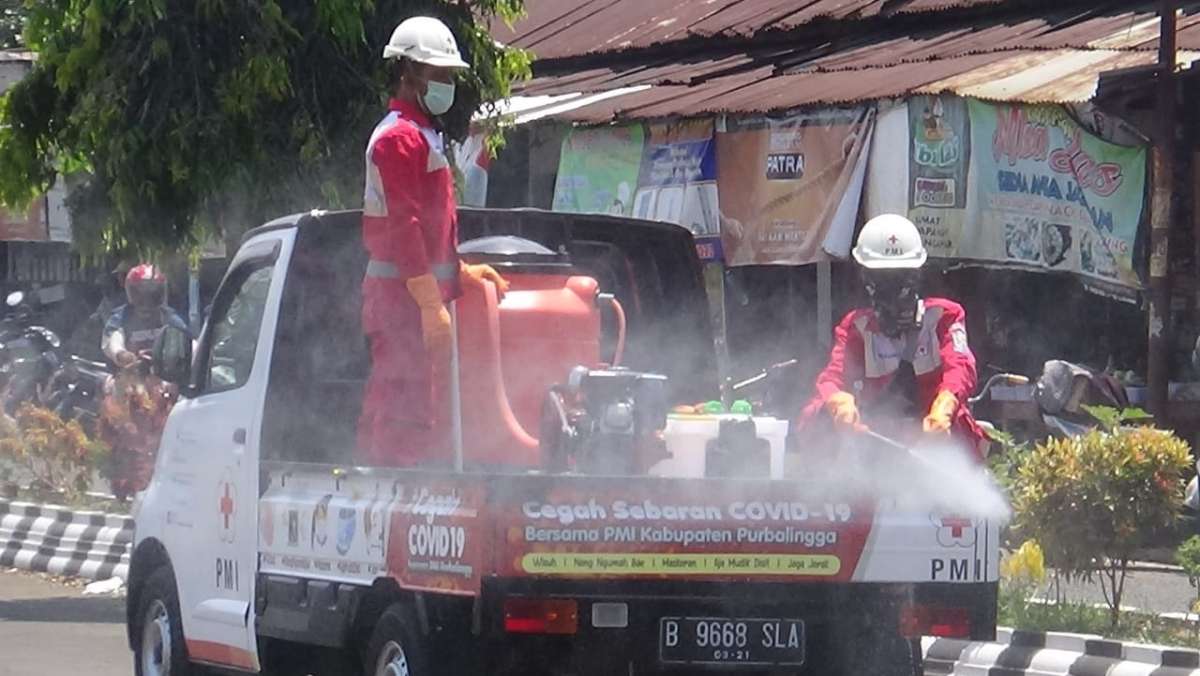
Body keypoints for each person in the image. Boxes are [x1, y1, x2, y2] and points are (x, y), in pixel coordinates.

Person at [357, 16, 508, 467]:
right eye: (439, 75)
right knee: (403, 406)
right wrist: (427, 301)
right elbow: (404, 227)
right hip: (400, 299)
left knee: (419, 403)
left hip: (412, 295)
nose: (447, 84)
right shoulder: (398, 138)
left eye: (449, 76)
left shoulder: (421, 133)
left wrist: (457, 271)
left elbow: (431, 225)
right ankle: (391, 495)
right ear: (409, 73)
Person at [799, 214, 987, 458]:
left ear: (915, 277)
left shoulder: (943, 316)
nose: (891, 291)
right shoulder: (857, 327)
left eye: (899, 279)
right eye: (882, 280)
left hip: (941, 449)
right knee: (815, 414)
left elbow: (960, 366)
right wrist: (837, 401)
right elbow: (832, 377)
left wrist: (945, 405)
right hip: (880, 454)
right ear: (867, 281)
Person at [99, 264, 188, 500]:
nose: (147, 299)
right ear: (131, 293)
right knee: (115, 412)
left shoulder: (169, 316)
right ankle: (119, 475)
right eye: (142, 292)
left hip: (163, 380)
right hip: (129, 379)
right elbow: (112, 339)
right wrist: (122, 355)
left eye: (153, 292)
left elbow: (188, 340)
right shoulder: (122, 316)